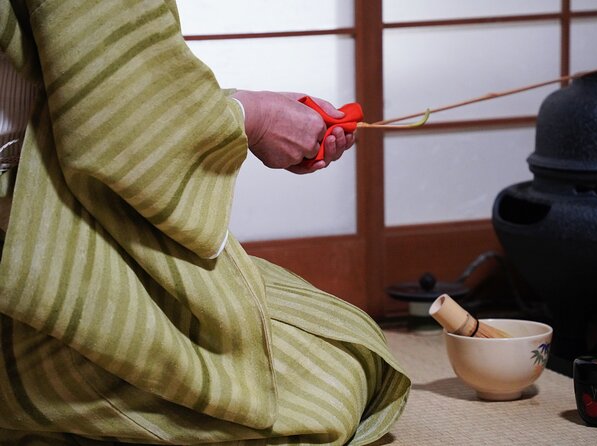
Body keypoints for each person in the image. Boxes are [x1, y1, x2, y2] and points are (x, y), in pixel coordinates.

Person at [0, 1, 410, 445]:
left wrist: (235, 111)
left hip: (34, 202)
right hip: (29, 229)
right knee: (337, 378)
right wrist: (254, 118)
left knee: (340, 331)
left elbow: (112, 94)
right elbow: (118, 125)